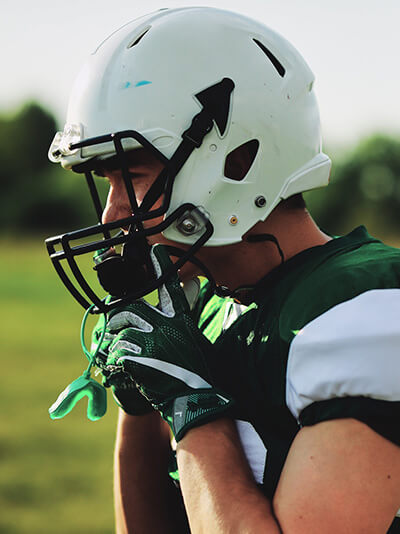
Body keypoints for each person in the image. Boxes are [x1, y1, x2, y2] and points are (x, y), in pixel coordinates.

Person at [47, 7, 400, 533]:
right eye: (107, 182)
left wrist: (189, 402)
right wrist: (143, 403)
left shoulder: (362, 312)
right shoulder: (205, 307)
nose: (112, 214)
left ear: (238, 160)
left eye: (133, 176)